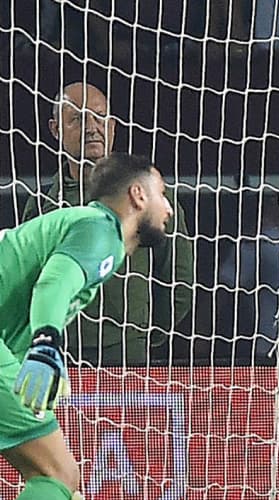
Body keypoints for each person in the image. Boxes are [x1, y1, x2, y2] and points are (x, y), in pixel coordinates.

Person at [0, 154, 175, 500]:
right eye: (162, 193)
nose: (168, 207)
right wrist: (48, 344)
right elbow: (51, 285)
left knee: (52, 477)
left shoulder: (80, 229)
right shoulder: (99, 229)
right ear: (137, 197)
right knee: (60, 474)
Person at [23, 82, 194, 366]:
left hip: (127, 352)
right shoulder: (42, 203)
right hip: (60, 351)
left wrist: (142, 335)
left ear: (113, 126)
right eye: (78, 118)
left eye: (99, 116)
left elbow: (178, 276)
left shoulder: (148, 196)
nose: (92, 127)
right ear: (55, 130)